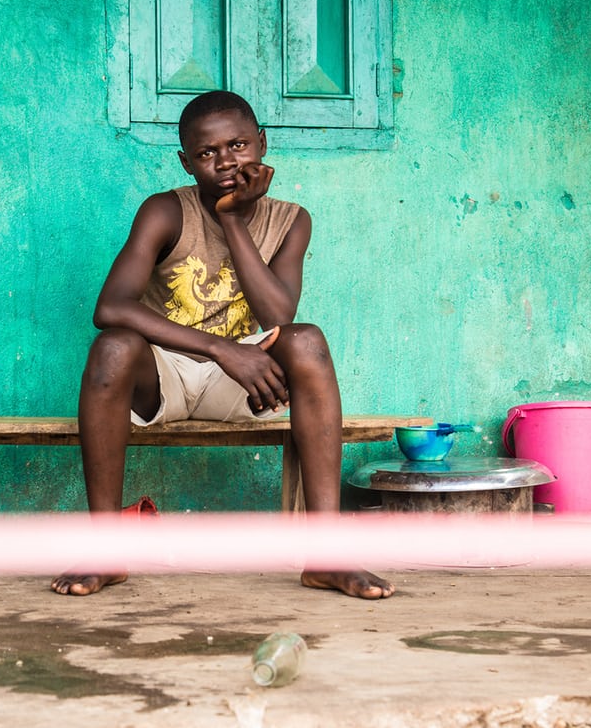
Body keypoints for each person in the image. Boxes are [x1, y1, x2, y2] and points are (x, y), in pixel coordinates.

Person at [50, 90, 393, 600]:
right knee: (113, 348)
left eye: (238, 145)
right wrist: (220, 348)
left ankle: (326, 556)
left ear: (262, 143)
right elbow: (112, 308)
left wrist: (234, 218)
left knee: (308, 342)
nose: (227, 161)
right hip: (164, 377)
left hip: (246, 384)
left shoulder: (290, 219)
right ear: (187, 162)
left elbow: (277, 316)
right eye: (208, 153)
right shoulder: (166, 211)